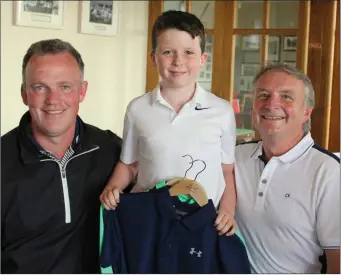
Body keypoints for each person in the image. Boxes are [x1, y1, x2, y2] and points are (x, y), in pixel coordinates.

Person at [100, 10, 237, 236]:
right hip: (149, 222)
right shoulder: (138, 109)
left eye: (189, 52)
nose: (178, 61)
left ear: (203, 59)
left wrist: (228, 211)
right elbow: (129, 163)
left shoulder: (221, 111)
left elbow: (227, 172)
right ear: (153, 58)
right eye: (168, 52)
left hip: (203, 224)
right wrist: (113, 187)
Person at [1, 39, 122, 273]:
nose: (53, 100)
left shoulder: (111, 150)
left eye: (65, 86)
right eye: (39, 87)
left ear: (82, 91)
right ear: (24, 94)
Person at [234, 64, 340, 273]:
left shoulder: (328, 171)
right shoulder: (234, 157)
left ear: (306, 112)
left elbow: (338, 260)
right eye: (263, 95)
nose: (271, 104)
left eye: (286, 97)